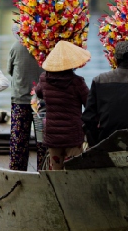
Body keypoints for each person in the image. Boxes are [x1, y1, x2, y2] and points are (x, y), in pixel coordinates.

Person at [35, 41, 90, 170]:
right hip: (73, 134)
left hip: (53, 134)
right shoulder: (77, 82)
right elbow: (89, 103)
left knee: (56, 171)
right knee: (75, 171)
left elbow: (39, 93)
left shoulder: (44, 79)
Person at [7, 24, 45, 171]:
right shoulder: (44, 46)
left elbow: (10, 71)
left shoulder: (16, 47)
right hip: (42, 101)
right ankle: (44, 170)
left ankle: (17, 171)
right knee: (42, 141)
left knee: (19, 141)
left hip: (20, 100)